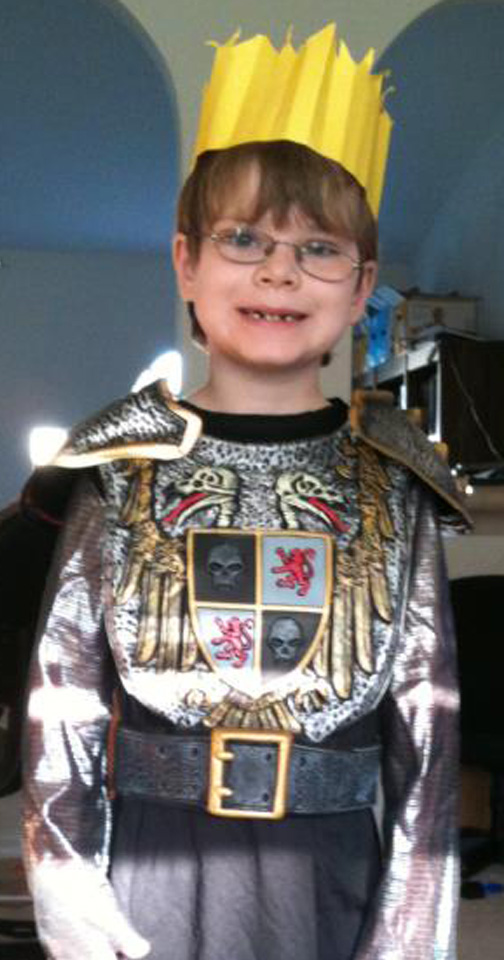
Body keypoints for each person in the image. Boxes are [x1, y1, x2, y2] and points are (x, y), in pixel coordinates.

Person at [22, 24, 469, 960]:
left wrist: (409, 932)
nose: (279, 271)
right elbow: (63, 697)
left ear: (362, 285)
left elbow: (426, 734)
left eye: (319, 248)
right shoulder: (119, 464)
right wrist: (65, 882)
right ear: (187, 261)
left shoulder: (396, 482)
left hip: (330, 876)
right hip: (154, 869)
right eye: (243, 238)